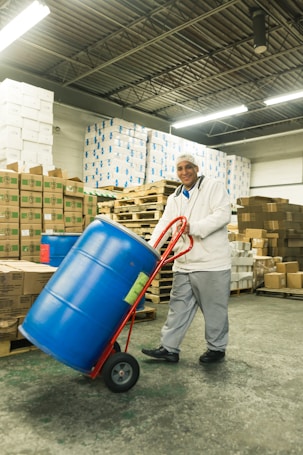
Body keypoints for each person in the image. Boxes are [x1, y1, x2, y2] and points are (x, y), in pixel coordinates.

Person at [142, 154, 231, 364]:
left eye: (188, 167)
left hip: (211, 263)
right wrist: (150, 249)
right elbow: (165, 223)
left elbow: (223, 214)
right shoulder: (175, 197)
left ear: (196, 168)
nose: (184, 172)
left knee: (213, 309)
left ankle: (216, 348)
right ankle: (169, 348)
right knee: (178, 307)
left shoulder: (213, 186)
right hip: (183, 263)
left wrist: (194, 228)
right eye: (180, 168)